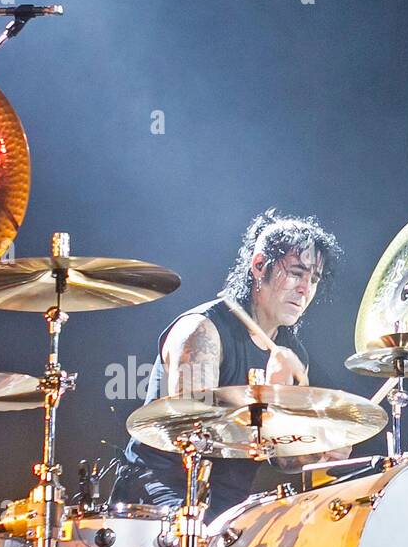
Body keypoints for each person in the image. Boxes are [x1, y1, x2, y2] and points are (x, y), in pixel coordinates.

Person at [116, 208, 345, 519]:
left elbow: (280, 457)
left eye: (313, 278)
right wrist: (270, 399)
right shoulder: (202, 331)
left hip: (229, 506)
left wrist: (323, 450)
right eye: (295, 272)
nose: (305, 288)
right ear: (259, 265)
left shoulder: (290, 350)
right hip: (161, 494)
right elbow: (193, 437)